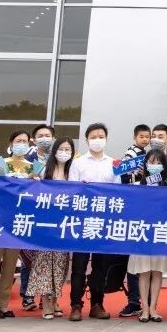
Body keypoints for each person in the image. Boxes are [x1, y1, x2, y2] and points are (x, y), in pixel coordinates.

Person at [0, 130, 38, 318]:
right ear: (11, 144)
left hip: (18, 221)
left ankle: (3, 304)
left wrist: (35, 183)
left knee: (10, 264)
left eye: (25, 141)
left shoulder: (34, 167)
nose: (21, 144)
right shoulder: (0, 163)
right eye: (18, 141)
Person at [68, 122, 118, 321]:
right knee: (79, 266)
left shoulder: (113, 163)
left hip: (104, 221)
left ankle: (97, 304)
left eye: (101, 137)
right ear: (87, 139)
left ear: (106, 139)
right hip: (82, 221)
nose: (98, 140)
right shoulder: (78, 163)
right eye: (94, 137)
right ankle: (75, 305)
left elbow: (118, 192)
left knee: (101, 266)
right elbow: (70, 191)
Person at [28, 137, 74, 319]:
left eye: (68, 149)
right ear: (54, 151)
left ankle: (55, 300)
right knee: (44, 262)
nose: (64, 152)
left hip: (65, 224)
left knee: (61, 263)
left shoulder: (73, 171)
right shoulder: (43, 169)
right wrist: (33, 180)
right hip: (45, 223)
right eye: (61, 149)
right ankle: (45, 303)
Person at [128, 149, 167, 323]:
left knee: (157, 271)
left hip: (160, 232)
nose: (154, 165)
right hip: (142, 232)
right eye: (151, 162)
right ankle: (145, 308)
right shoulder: (138, 185)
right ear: (146, 164)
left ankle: (154, 308)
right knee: (144, 271)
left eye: (158, 162)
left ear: (163, 166)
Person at [20, 124, 55, 309]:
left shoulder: (56, 159)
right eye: (40, 135)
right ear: (34, 139)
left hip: (51, 212)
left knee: (48, 255)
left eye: (47, 135)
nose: (44, 138)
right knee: (29, 255)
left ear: (53, 138)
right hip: (31, 210)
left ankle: (45, 296)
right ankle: (27, 295)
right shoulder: (26, 158)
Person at [117, 123, 150, 318]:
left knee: (144, 261)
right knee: (133, 259)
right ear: (135, 137)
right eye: (142, 137)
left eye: (147, 137)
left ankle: (143, 302)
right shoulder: (131, 154)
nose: (145, 139)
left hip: (146, 212)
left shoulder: (147, 155)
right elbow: (124, 177)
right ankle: (134, 301)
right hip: (133, 210)